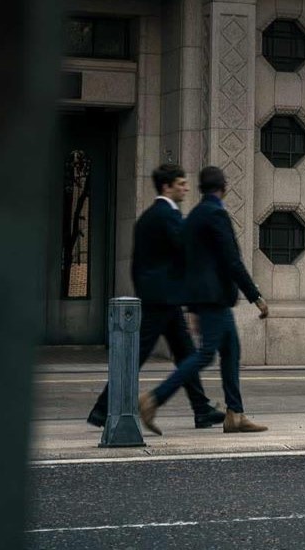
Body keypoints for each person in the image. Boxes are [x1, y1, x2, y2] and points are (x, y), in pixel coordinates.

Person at [87, 164, 224, 429]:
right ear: (166, 187)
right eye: (181, 183)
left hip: (163, 298)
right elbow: (186, 251)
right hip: (162, 300)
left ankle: (201, 408)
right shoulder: (167, 216)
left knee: (186, 352)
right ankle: (102, 410)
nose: (186, 188)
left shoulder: (150, 216)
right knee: (135, 356)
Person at [140, 166, 270, 434]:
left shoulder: (194, 216)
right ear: (224, 187)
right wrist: (255, 296)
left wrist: (192, 307)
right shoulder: (216, 214)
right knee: (206, 354)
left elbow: (185, 263)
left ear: (201, 188)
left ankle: (235, 413)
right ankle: (154, 399)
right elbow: (232, 259)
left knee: (231, 351)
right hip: (215, 299)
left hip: (205, 300)